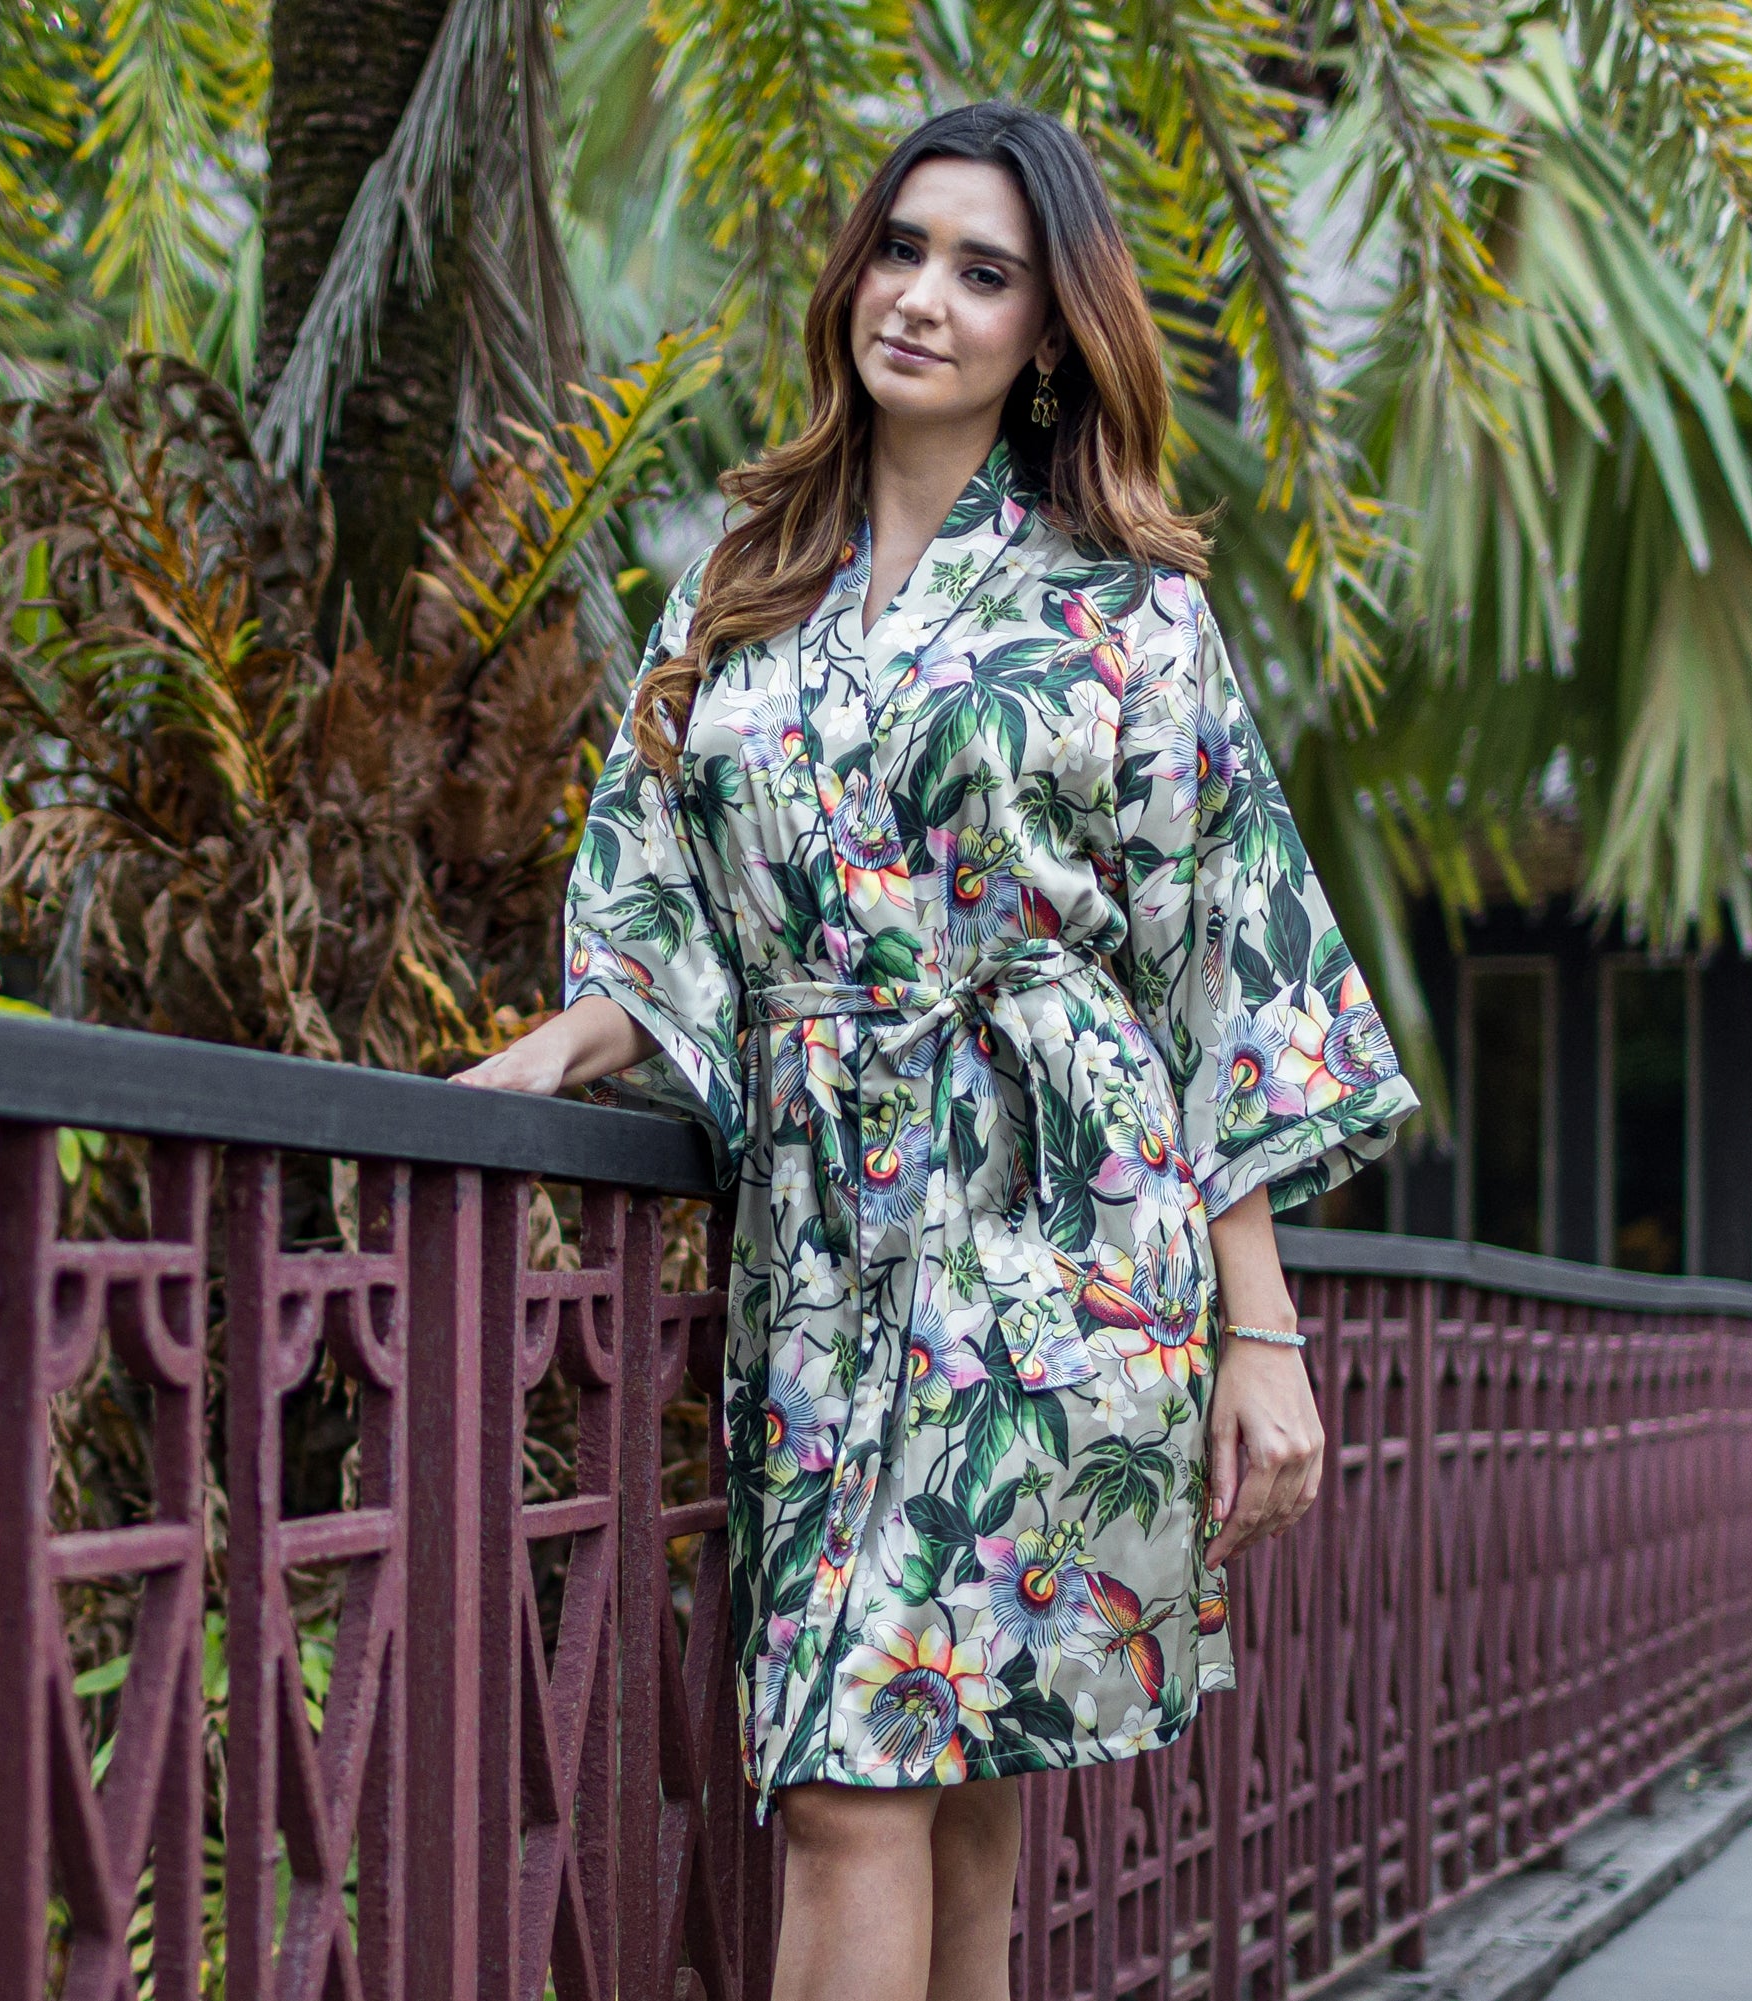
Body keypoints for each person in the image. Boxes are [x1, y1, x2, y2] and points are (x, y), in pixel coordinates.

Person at [454, 99, 1418, 2001]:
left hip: (1063, 1243)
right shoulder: (743, 581)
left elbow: (1221, 963)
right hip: (820, 1251)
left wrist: (1267, 1340)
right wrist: (577, 1035)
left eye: (984, 273)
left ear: (1049, 333)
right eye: (901, 249)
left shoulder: (1129, 611)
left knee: (886, 1785)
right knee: (891, 1772)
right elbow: (661, 890)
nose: (924, 297)